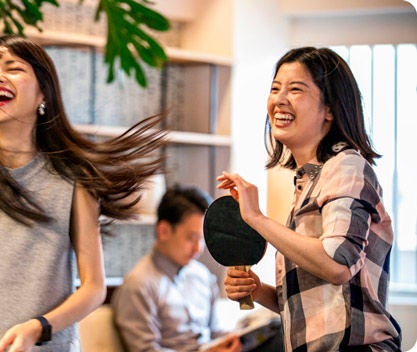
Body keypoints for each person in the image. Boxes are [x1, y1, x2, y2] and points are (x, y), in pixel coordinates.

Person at [0, 35, 167, 352]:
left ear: (43, 92)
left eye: (12, 68)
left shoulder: (73, 177)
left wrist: (38, 327)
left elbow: (94, 287)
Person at [218, 47, 402, 351]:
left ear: (329, 109)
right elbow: (319, 308)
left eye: (295, 89)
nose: (279, 99)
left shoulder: (347, 166)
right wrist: (259, 290)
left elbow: (336, 264)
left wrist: (256, 218)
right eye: (275, 88)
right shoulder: (309, 181)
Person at [111, 185, 242, 352]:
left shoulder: (201, 275)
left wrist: (234, 339)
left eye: (202, 239)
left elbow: (214, 332)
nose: (198, 248)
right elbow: (146, 350)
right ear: (164, 231)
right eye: (191, 238)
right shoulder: (139, 285)